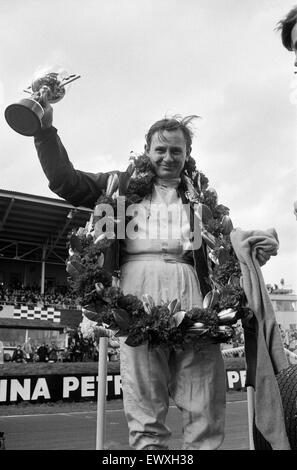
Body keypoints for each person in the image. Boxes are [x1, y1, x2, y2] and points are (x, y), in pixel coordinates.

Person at [32, 100, 272, 450]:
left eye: (177, 150)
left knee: (204, 401)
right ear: (147, 150)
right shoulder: (118, 189)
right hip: (135, 296)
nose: (168, 157)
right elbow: (64, 180)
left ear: (188, 153)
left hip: (195, 297)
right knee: (145, 406)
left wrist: (254, 249)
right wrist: (44, 130)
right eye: (160, 149)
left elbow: (229, 253)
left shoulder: (201, 202)